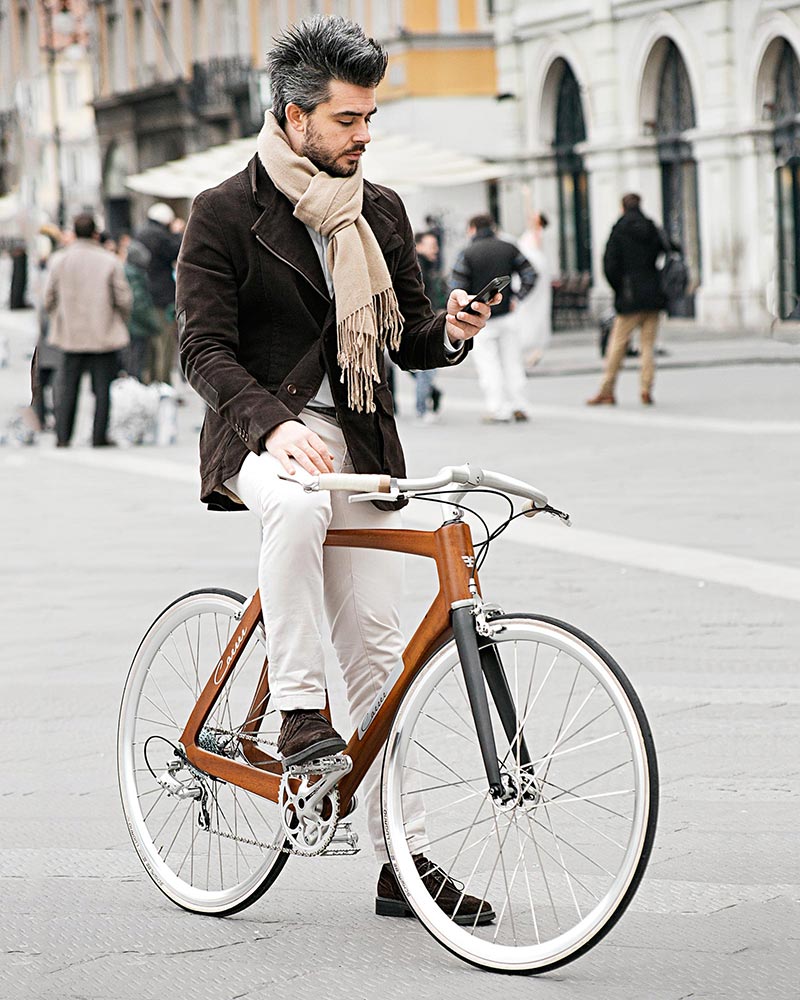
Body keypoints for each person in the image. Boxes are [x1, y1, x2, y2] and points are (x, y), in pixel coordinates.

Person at [176, 15, 498, 924]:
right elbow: (201, 349)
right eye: (348, 119)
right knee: (296, 506)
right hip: (259, 438)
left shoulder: (379, 210)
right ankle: (298, 714)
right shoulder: (225, 212)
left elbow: (410, 336)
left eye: (369, 118)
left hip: (358, 445)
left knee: (383, 654)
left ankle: (405, 858)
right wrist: (272, 426)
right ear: (294, 118)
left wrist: (456, 331)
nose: (365, 135)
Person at [44, 213, 132, 447]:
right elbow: (123, 298)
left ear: (73, 231)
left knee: (67, 387)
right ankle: (98, 436)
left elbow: (48, 298)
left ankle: (63, 436)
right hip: (103, 333)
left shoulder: (59, 260)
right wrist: (118, 319)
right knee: (102, 388)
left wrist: (59, 316)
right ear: (95, 233)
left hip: (71, 334)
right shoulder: (109, 260)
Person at [451, 213, 537, 423]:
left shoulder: (467, 253)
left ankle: (497, 408)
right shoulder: (508, 247)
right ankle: (519, 404)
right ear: (493, 227)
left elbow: (456, 286)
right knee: (513, 362)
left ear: (472, 229)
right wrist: (518, 297)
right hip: (508, 314)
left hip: (480, 320)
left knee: (488, 365)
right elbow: (530, 274)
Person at [587, 193, 665, 406]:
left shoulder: (619, 229)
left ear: (622, 207)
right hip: (653, 293)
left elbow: (609, 264)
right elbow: (665, 250)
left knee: (617, 344)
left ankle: (607, 389)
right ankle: (645, 388)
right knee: (647, 345)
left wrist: (620, 287)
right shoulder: (651, 227)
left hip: (629, 295)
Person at [134, 203, 183, 384]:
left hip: (147, 295)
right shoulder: (159, 235)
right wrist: (177, 233)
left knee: (153, 345)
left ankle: (151, 381)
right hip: (162, 296)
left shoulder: (141, 232)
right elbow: (179, 251)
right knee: (164, 343)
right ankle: (163, 383)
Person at [412, 230, 448, 421]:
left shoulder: (430, 266)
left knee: (422, 369)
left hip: (428, 320)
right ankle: (422, 409)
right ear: (418, 246)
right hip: (421, 324)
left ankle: (427, 399)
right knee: (425, 369)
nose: (436, 249)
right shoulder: (416, 267)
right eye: (431, 245)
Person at [516, 208, 552, 367]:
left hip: (532, 273)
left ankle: (533, 346)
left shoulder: (537, 233)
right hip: (526, 272)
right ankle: (529, 346)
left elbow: (536, 251)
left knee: (532, 309)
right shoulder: (531, 233)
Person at [122, 240, 160, 382]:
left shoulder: (132, 274)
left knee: (136, 360)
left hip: (134, 326)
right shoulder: (135, 276)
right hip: (137, 327)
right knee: (137, 361)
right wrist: (153, 325)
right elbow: (139, 304)